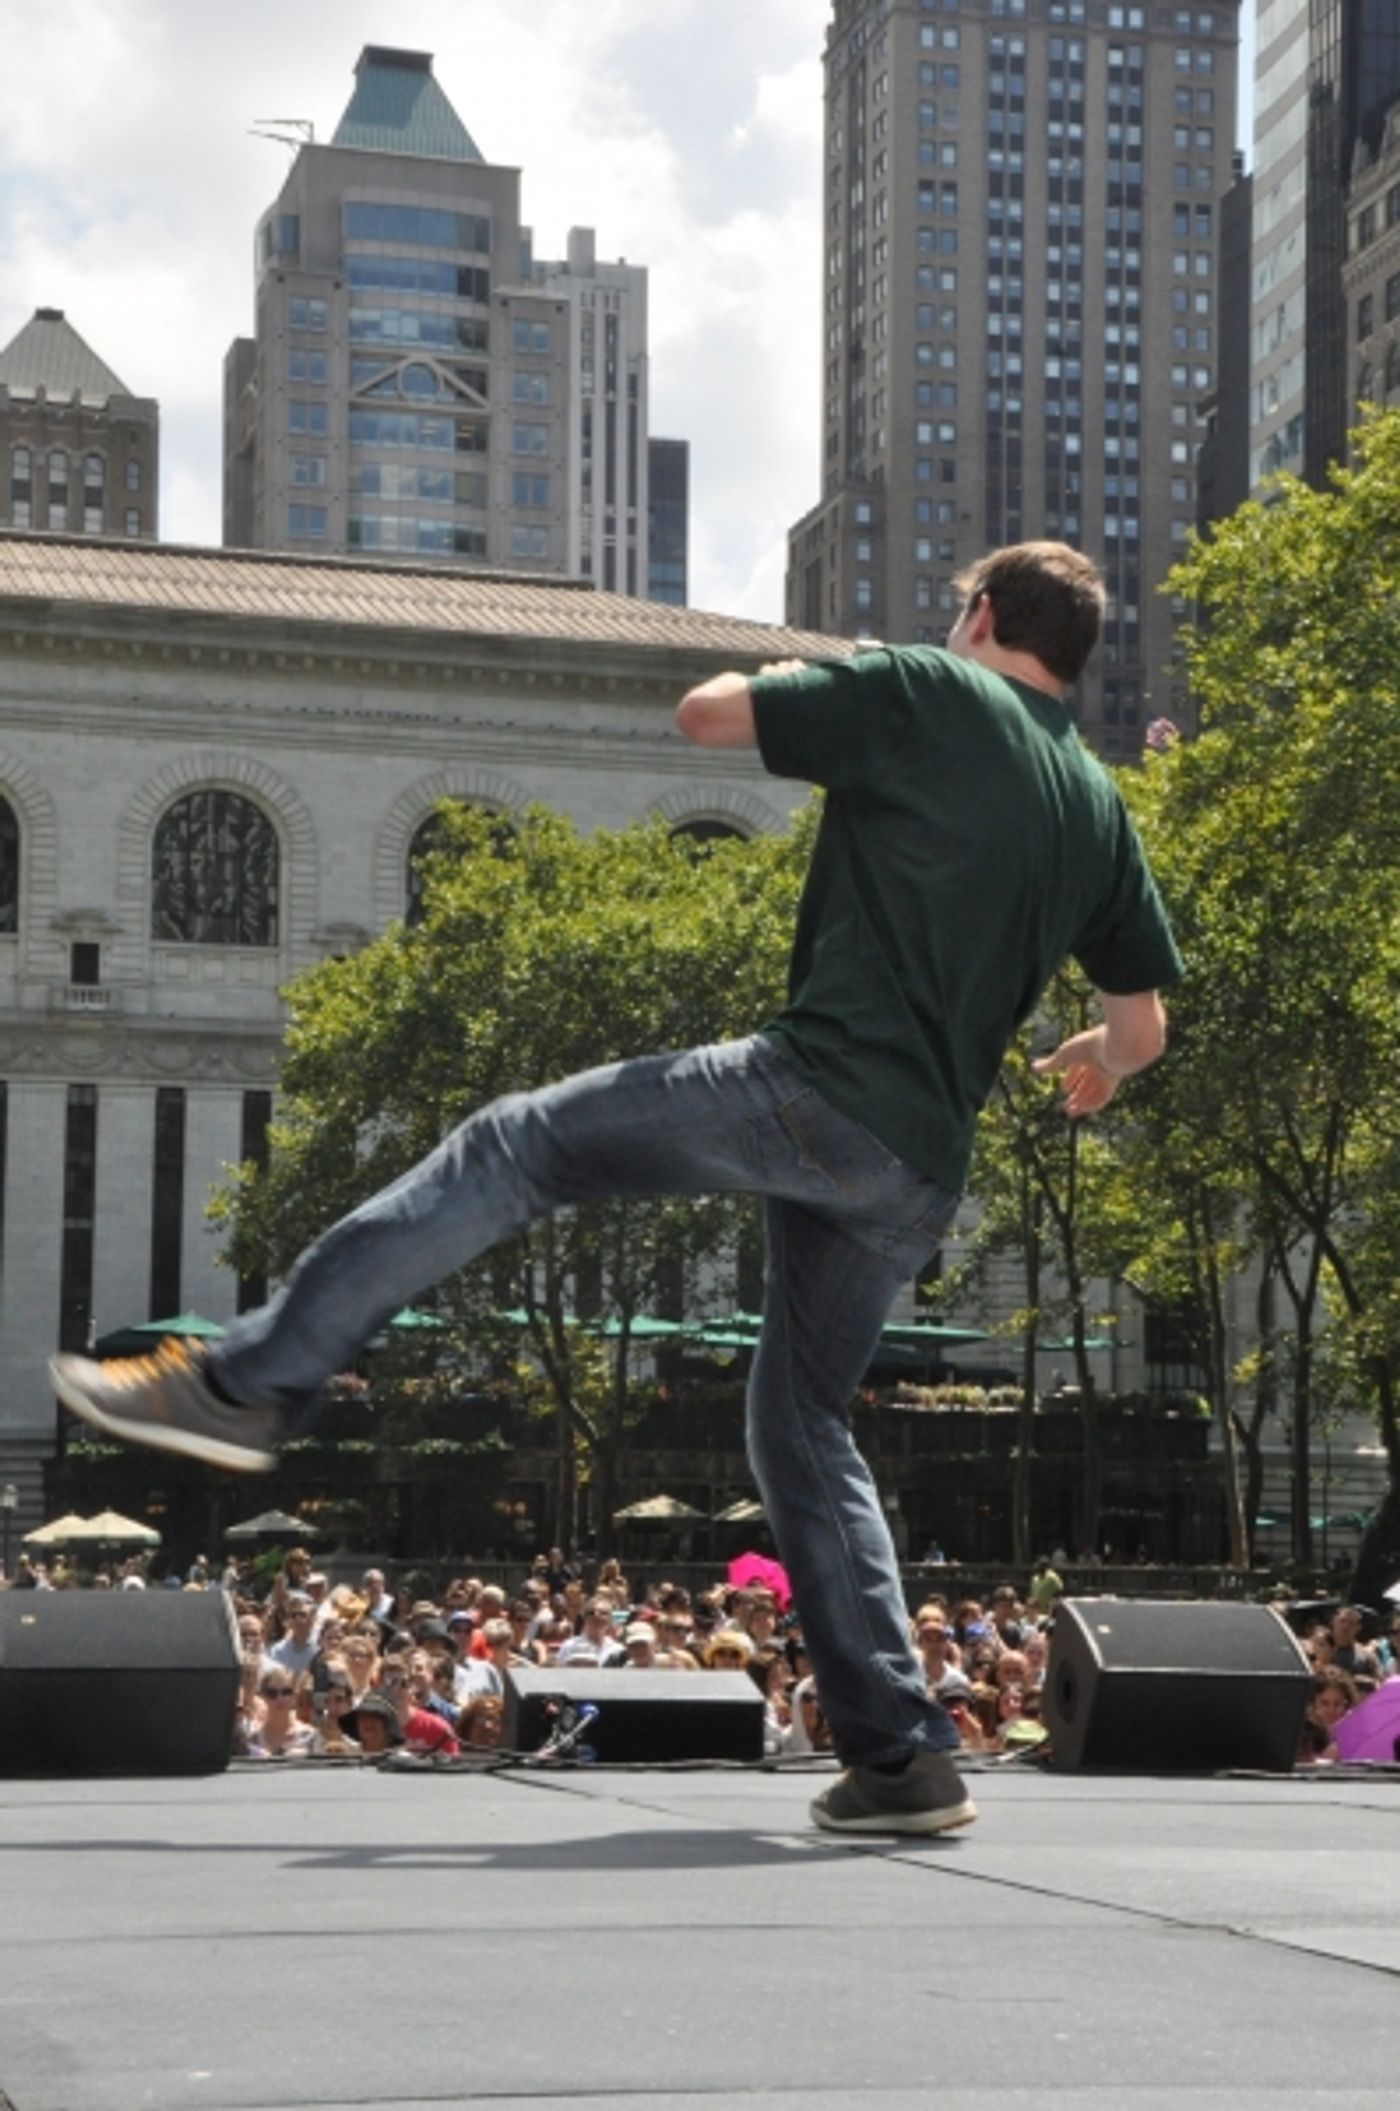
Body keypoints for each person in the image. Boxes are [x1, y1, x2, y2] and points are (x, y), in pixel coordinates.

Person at [49, 541, 1179, 1838]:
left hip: (816, 1092)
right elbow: (1139, 1029)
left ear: (978, 614)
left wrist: (853, 670)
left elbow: (706, 714)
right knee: (804, 1425)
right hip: (919, 1172)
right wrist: (1094, 1057)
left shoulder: (923, 686)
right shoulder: (1096, 803)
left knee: (514, 1145)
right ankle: (902, 1758)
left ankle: (245, 1381)